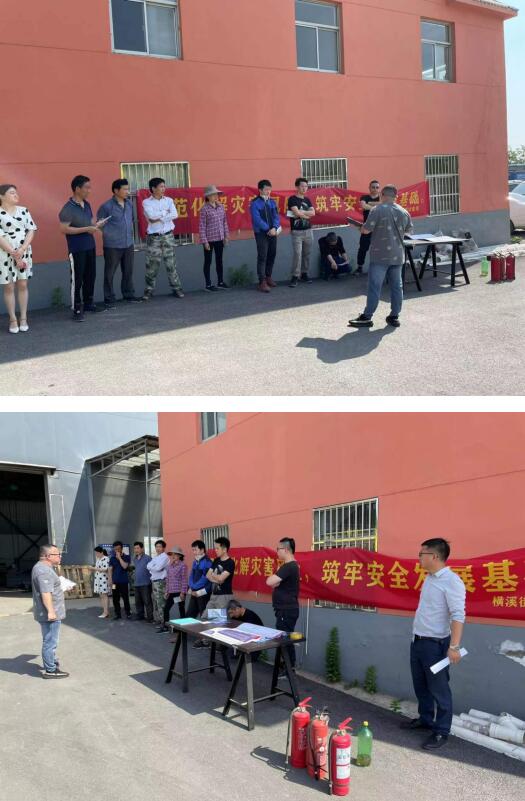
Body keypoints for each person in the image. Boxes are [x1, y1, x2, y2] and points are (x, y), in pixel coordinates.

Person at [401, 538, 466, 751]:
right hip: (418, 642)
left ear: (435, 556)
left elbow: (458, 615)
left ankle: (441, 731)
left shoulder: (452, 581)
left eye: (422, 554)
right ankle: (426, 719)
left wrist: (454, 647)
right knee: (421, 686)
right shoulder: (429, 578)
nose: (419, 558)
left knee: (439, 689)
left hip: (435, 646)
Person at [349, 184, 413, 329]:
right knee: (397, 287)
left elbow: (366, 230)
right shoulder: (404, 212)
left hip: (380, 255)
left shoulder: (377, 210)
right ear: (395, 196)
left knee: (374, 286)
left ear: (382, 195)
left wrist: (358, 227)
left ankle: (367, 316)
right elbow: (409, 231)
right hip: (398, 255)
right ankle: (394, 316)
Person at [59, 175, 106, 322]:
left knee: (90, 276)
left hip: (90, 246)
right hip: (77, 249)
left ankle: (89, 303)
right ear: (77, 189)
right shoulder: (68, 208)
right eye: (87, 187)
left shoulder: (87, 204)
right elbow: (64, 229)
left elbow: (89, 224)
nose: (89, 190)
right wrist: (86, 229)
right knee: (77, 279)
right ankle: (77, 308)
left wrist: (96, 225)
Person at [97, 178, 141, 309]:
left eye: (128, 189)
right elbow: (99, 225)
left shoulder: (129, 204)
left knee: (128, 271)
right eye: (125, 189)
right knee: (109, 273)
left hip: (128, 243)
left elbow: (131, 220)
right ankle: (109, 298)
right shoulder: (106, 206)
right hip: (112, 245)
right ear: (116, 190)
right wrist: (109, 235)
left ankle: (128, 295)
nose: (128, 191)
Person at [0, 183, 37, 334]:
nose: (16, 195)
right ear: (1, 196)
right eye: (12, 193)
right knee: (9, 286)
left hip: (24, 250)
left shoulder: (24, 210)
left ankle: (23, 317)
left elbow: (31, 229)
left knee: (22, 284)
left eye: (16, 192)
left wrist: (21, 250)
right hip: (4, 252)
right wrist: (13, 252)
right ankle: (12, 319)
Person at [141, 177, 184, 300]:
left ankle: (177, 289)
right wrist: (165, 213)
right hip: (154, 238)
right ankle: (148, 291)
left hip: (168, 235)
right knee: (152, 266)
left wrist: (159, 217)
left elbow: (175, 214)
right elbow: (151, 217)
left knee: (171, 264)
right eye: (161, 186)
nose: (163, 189)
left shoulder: (169, 200)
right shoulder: (146, 202)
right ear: (153, 188)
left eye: (164, 186)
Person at [31, 544, 69, 678]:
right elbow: (46, 593)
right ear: (48, 556)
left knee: (50, 640)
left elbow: (49, 587)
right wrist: (51, 611)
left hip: (48, 612)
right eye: (57, 554)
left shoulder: (44, 568)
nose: (60, 556)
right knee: (50, 641)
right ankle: (51, 670)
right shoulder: (43, 570)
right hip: (50, 613)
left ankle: (52, 662)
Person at [266, 537, 300, 670]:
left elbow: (269, 582)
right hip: (285, 610)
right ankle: (287, 667)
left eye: (278, 549)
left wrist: (276, 575)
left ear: (285, 549)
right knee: (285, 639)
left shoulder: (289, 566)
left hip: (286, 611)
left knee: (285, 640)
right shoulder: (290, 566)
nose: (277, 552)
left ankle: (289, 669)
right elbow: (275, 584)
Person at [250, 179, 281, 293]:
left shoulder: (272, 202)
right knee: (262, 256)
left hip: (273, 232)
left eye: (270, 189)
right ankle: (262, 281)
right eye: (266, 189)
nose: (268, 192)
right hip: (261, 233)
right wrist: (268, 229)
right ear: (260, 190)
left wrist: (274, 228)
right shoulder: (255, 203)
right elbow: (256, 219)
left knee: (272, 254)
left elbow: (276, 217)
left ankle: (268, 276)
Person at [199, 185, 230, 291]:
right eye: (213, 195)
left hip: (220, 238)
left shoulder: (221, 207)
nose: (216, 196)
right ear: (207, 196)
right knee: (208, 261)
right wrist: (205, 242)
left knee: (219, 260)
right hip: (209, 240)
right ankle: (208, 284)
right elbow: (202, 226)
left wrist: (226, 236)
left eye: (216, 194)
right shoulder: (204, 209)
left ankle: (220, 282)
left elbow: (224, 222)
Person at [287, 177, 315, 288]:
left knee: (306, 254)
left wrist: (302, 212)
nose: (304, 188)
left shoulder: (307, 200)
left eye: (306, 186)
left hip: (308, 231)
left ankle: (304, 274)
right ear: (297, 187)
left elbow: (313, 213)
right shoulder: (292, 199)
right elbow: (296, 212)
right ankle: (295, 276)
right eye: (302, 186)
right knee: (297, 254)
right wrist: (305, 214)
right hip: (297, 232)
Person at [158, 545, 188, 632]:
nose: (173, 556)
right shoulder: (170, 566)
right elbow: (168, 579)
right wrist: (166, 591)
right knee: (166, 608)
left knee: (181, 609)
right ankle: (166, 626)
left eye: (175, 554)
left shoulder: (183, 565)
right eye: (172, 554)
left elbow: (184, 579)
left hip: (179, 592)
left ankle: (183, 628)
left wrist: (182, 592)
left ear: (180, 555)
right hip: (171, 592)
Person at [356, 179, 381, 274]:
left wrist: (370, 204)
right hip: (367, 227)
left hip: (379, 228)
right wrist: (377, 207)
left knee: (380, 248)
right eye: (373, 187)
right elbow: (363, 206)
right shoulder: (364, 197)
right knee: (363, 248)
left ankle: (379, 268)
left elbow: (384, 204)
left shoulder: (381, 198)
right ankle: (359, 267)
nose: (375, 189)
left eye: (377, 187)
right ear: (369, 188)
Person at [186, 539, 213, 621]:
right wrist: (191, 586)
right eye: (193, 550)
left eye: (195, 550)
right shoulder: (195, 561)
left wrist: (194, 587)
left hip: (203, 592)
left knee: (204, 615)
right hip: (194, 591)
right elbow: (191, 575)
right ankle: (185, 630)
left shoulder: (208, 562)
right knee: (189, 615)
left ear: (202, 550)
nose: (194, 552)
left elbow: (205, 579)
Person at [146, 538, 170, 627]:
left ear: (163, 548)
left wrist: (153, 568)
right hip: (154, 582)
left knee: (161, 602)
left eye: (160, 547)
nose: (157, 548)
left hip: (161, 582)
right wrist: (154, 568)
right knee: (156, 602)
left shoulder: (165, 557)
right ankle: (159, 620)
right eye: (156, 547)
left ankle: (164, 623)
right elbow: (148, 566)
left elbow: (158, 568)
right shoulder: (156, 557)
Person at [108, 540, 131, 620]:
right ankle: (117, 614)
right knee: (115, 598)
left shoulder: (127, 557)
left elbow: (125, 566)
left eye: (118, 549)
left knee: (125, 598)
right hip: (114, 583)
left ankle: (128, 613)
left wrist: (120, 558)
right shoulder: (112, 558)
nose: (117, 550)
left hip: (123, 582)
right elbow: (110, 570)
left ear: (122, 548)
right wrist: (110, 580)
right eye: (115, 549)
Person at [85, 546, 110, 618]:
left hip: (104, 579)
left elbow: (105, 569)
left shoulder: (106, 558)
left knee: (104, 595)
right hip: (98, 579)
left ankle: (106, 612)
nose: (96, 554)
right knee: (101, 596)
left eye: (97, 553)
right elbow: (98, 569)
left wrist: (93, 568)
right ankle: (105, 611)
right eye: (95, 553)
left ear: (101, 552)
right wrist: (92, 569)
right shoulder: (98, 559)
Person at [133, 541, 153, 622]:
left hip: (146, 583)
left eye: (138, 548)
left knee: (147, 601)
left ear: (142, 549)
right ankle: (140, 615)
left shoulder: (148, 558)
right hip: (136, 583)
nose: (136, 550)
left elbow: (152, 570)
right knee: (138, 601)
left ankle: (150, 617)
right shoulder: (135, 559)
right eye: (135, 548)